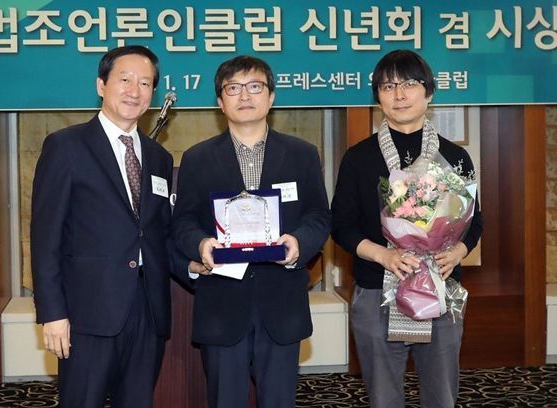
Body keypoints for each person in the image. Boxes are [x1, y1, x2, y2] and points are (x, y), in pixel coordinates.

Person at [31, 45, 196, 407]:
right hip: (87, 313)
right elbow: (45, 237)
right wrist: (53, 313)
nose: (134, 91)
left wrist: (193, 265)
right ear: (101, 85)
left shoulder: (158, 157)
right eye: (124, 80)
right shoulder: (66, 146)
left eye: (145, 83)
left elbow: (158, 234)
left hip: (148, 311)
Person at [172, 55, 330, 408]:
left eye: (254, 86)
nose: (244, 95)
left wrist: (298, 242)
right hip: (222, 305)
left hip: (282, 304)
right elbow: (182, 222)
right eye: (233, 88)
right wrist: (201, 244)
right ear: (220, 101)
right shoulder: (197, 158)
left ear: (271, 97)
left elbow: (319, 215)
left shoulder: (302, 154)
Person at [331, 49, 483, 408]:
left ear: (429, 92)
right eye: (388, 87)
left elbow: (474, 221)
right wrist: (384, 255)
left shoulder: (455, 157)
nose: (399, 95)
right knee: (384, 398)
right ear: (378, 97)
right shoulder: (359, 157)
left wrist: (457, 253)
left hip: (440, 289)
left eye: (409, 84)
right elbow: (341, 225)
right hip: (377, 290)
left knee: (441, 395)